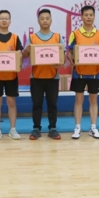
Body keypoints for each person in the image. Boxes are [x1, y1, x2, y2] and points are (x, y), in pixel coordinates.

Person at [66, 5, 99, 139]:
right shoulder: (75, 33)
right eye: (86, 15)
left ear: (94, 16)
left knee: (93, 101)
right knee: (79, 100)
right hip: (79, 73)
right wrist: (71, 59)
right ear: (81, 17)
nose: (89, 17)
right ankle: (77, 128)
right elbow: (69, 51)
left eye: (91, 15)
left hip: (95, 73)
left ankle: (93, 128)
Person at [22, 9, 63, 140]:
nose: (45, 21)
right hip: (36, 77)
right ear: (38, 21)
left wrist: (59, 63)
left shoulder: (57, 37)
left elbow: (62, 56)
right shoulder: (32, 38)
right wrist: (26, 50)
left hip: (53, 76)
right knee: (36, 104)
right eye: (42, 18)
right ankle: (36, 128)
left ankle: (53, 128)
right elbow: (24, 55)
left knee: (52, 104)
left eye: (47, 18)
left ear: (51, 20)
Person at [0, 10, 24, 140]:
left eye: (6, 18)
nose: (4, 20)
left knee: (11, 102)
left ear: (10, 21)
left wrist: (19, 63)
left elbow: (20, 55)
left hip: (11, 76)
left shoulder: (15, 37)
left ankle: (12, 129)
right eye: (1, 18)